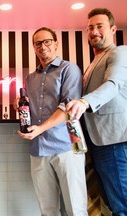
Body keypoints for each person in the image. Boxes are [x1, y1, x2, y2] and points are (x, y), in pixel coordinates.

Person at [15, 27, 88, 215]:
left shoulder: (69, 69)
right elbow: (33, 109)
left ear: (56, 43)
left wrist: (40, 129)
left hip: (67, 146)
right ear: (33, 47)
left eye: (47, 41)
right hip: (38, 149)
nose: (42, 46)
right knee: (47, 210)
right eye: (38, 43)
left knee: (75, 207)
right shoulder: (30, 78)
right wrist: (20, 104)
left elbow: (68, 107)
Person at [66, 8, 127, 215]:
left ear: (113, 29)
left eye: (99, 26)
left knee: (122, 204)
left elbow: (113, 84)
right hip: (98, 142)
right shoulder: (93, 63)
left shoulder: (120, 52)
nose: (94, 31)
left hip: (115, 141)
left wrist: (84, 101)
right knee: (111, 203)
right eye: (90, 27)